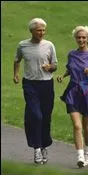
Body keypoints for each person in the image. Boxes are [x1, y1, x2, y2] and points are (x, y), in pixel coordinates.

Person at [57, 25, 88, 168]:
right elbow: (70, 68)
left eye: (84, 37)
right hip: (72, 91)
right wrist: (63, 75)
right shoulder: (71, 54)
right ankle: (80, 156)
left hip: (87, 91)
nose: (81, 39)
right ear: (75, 39)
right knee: (77, 125)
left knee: (86, 126)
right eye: (78, 37)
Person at [13, 18, 58, 164]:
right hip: (30, 84)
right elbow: (17, 60)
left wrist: (49, 67)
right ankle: (37, 148)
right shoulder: (23, 45)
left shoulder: (49, 45)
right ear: (31, 30)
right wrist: (16, 74)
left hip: (46, 85)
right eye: (39, 30)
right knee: (36, 116)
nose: (42, 33)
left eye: (44, 30)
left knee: (45, 117)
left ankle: (44, 145)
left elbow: (55, 65)